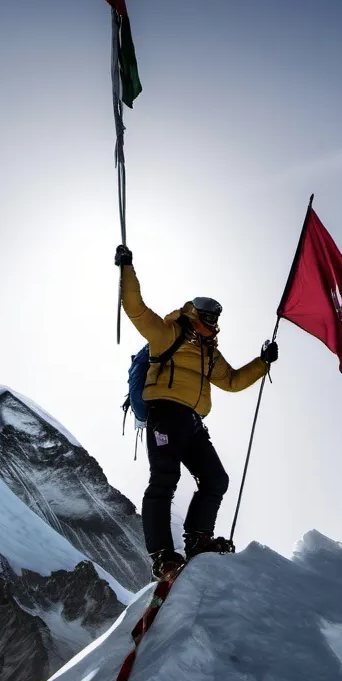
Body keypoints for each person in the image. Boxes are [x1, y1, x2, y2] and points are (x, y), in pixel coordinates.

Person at [115, 244, 278, 579]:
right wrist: (127, 267)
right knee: (164, 479)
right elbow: (135, 309)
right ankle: (163, 555)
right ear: (193, 314)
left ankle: (198, 540)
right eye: (208, 314)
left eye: (216, 316)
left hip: (192, 423)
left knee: (216, 478)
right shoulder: (167, 334)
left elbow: (231, 381)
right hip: (165, 414)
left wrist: (264, 362)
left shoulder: (209, 355)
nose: (213, 320)